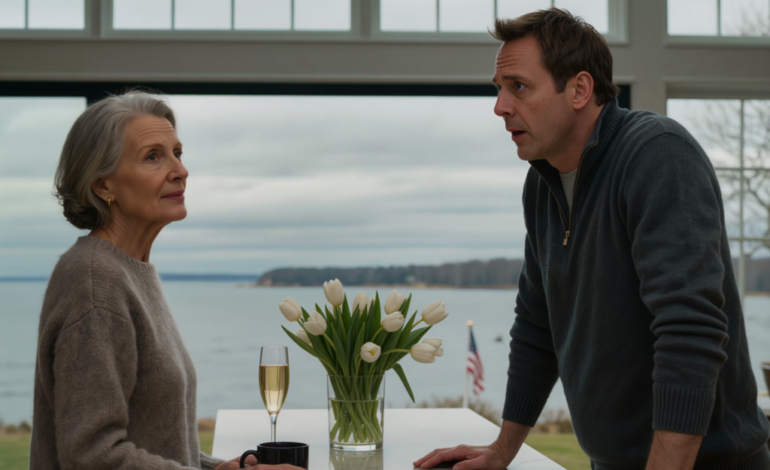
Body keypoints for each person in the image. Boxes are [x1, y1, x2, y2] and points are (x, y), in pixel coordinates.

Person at [415, 9, 770, 470]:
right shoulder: (541, 184)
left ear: (580, 90)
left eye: (518, 86)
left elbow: (690, 330)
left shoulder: (657, 154)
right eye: (499, 88)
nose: (500, 106)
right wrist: (501, 450)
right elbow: (537, 326)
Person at [30, 91, 300, 470]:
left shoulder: (129, 270)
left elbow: (155, 438)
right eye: (153, 157)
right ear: (103, 185)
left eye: (177, 153)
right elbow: (92, 456)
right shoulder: (95, 282)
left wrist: (217, 467)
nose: (180, 171)